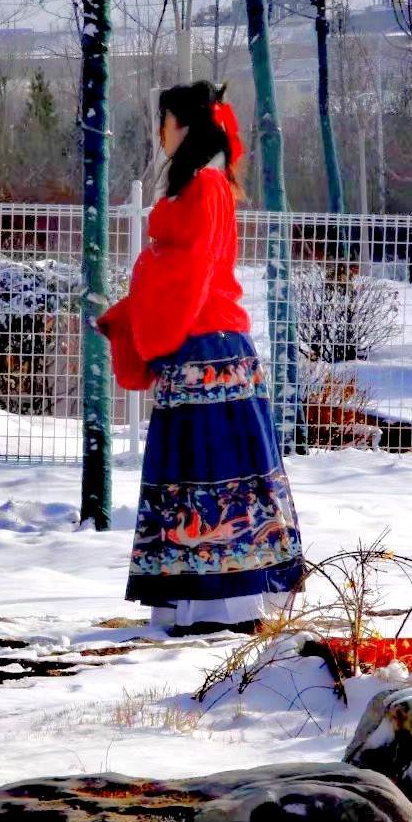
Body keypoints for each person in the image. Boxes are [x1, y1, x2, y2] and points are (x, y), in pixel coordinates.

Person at [99, 81, 304, 635]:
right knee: (200, 472)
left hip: (204, 348)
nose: (160, 132)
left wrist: (144, 303)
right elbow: (180, 269)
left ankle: (218, 604)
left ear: (185, 127)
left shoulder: (205, 187)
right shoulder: (206, 185)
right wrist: (139, 301)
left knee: (207, 471)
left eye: (165, 121)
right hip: (204, 347)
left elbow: (187, 271)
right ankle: (202, 602)